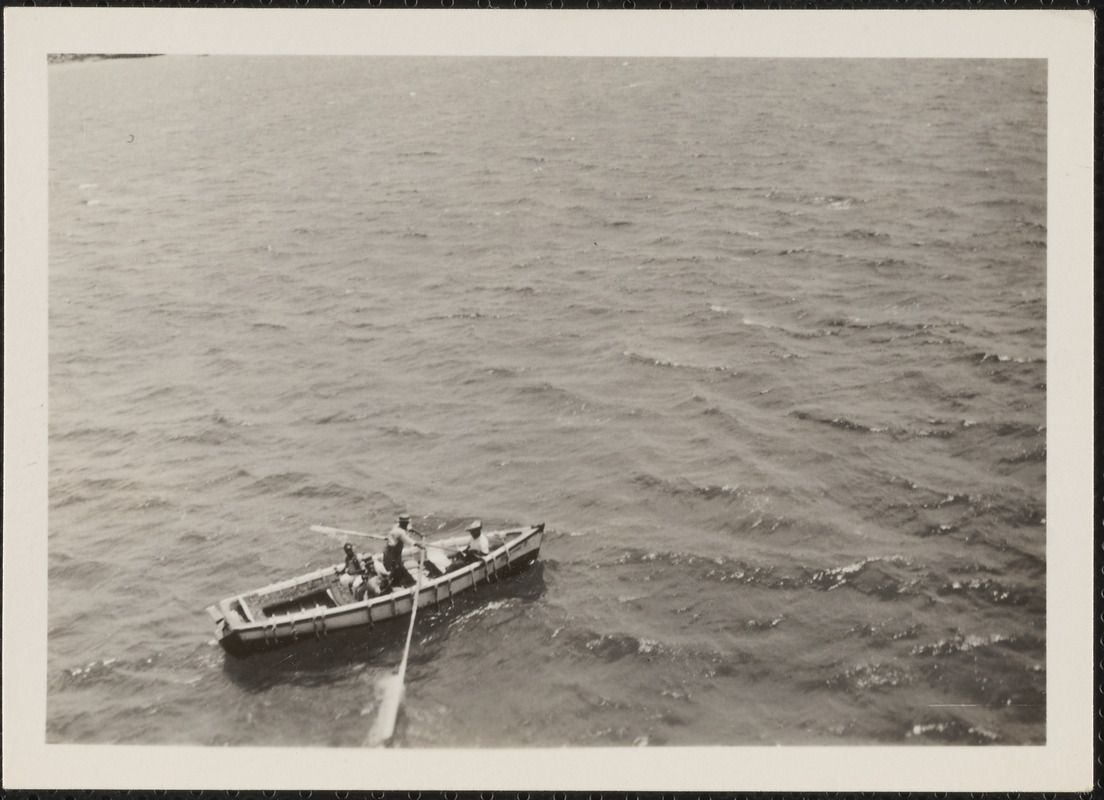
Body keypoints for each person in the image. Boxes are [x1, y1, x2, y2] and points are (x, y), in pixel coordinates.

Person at [382, 513, 423, 588]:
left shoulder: (400, 526)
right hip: (391, 552)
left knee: (398, 566)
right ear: (402, 523)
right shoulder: (399, 532)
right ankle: (407, 582)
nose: (407, 524)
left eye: (407, 523)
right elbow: (409, 541)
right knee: (393, 568)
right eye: (406, 523)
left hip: (396, 551)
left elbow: (410, 529)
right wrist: (420, 546)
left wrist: (420, 534)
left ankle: (399, 582)